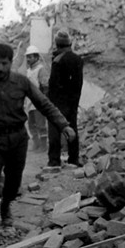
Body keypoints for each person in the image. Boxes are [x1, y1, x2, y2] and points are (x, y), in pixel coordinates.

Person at [0, 44, 76, 247]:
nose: (0, 68)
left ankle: (6, 205)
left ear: (11, 63)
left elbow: (44, 104)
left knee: (13, 183)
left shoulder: (21, 82)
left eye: (4, 63)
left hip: (17, 140)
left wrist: (63, 125)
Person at [47, 30, 83, 168]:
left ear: (57, 44)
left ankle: (54, 160)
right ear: (70, 43)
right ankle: (74, 158)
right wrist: (75, 101)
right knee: (72, 128)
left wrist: (50, 103)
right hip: (72, 101)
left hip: (58, 102)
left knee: (55, 130)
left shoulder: (57, 61)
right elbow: (78, 83)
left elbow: (53, 85)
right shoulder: (78, 59)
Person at [24, 45, 49, 152]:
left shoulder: (41, 69)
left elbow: (45, 86)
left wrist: (43, 100)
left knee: (40, 124)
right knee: (31, 124)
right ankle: (36, 143)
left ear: (36, 57)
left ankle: (43, 145)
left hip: (38, 102)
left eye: (30, 57)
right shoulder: (29, 70)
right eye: (27, 57)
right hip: (30, 102)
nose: (28, 59)